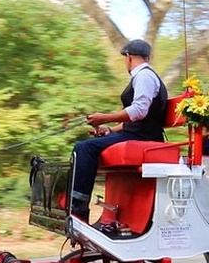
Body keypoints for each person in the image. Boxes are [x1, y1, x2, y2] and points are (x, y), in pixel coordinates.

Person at [70, 39, 168, 222]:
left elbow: (139, 111)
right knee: (87, 147)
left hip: (144, 137)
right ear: (147, 57)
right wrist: (110, 130)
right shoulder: (144, 76)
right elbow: (137, 120)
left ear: (129, 57)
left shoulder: (144, 76)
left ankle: (78, 208)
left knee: (84, 148)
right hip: (138, 132)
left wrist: (105, 117)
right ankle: (78, 205)